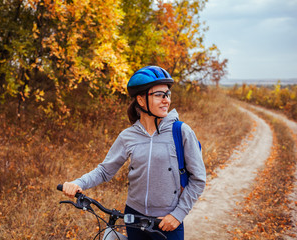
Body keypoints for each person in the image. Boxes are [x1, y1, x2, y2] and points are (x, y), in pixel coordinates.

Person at [62, 66, 206, 240]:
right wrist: (78, 183)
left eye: (167, 94)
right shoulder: (128, 136)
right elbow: (105, 170)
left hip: (167, 222)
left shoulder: (181, 131)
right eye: (159, 95)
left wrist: (178, 215)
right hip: (133, 218)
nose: (166, 100)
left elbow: (198, 178)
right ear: (141, 100)